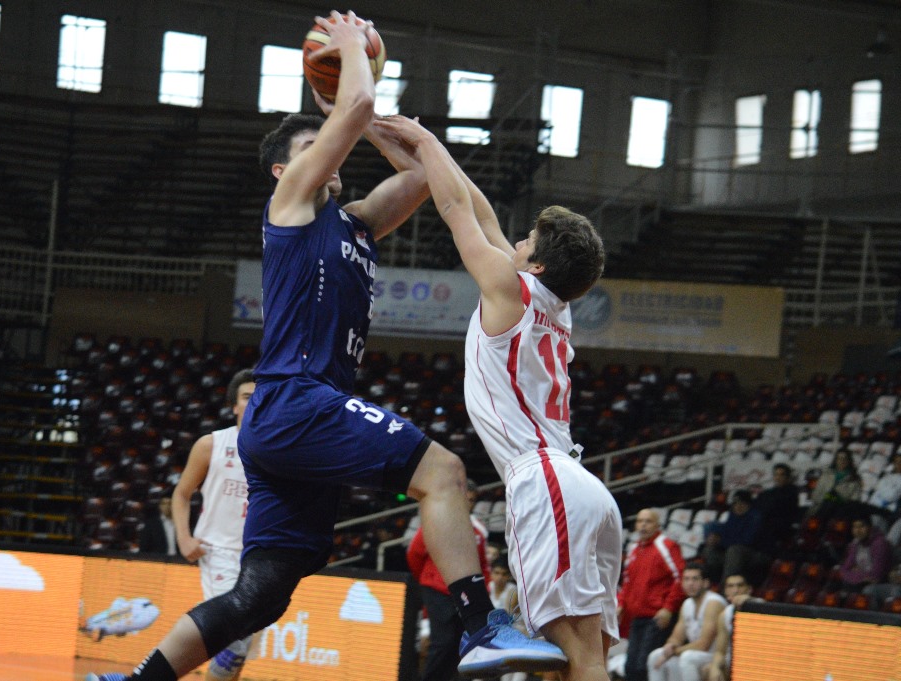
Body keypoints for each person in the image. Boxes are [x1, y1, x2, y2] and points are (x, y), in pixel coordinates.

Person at [86, 11, 562, 681]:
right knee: (444, 472)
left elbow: (425, 175)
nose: (335, 154)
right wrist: (350, 68)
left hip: (293, 417)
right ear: (290, 164)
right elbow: (359, 101)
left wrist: (356, 114)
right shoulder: (289, 202)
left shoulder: (358, 223)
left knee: (263, 594)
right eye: (322, 144)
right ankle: (480, 623)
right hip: (295, 401)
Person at [373, 114, 620, 681]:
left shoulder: (511, 291)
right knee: (577, 659)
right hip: (583, 491)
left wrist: (428, 141)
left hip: (546, 481)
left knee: (573, 656)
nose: (514, 239)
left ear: (533, 264)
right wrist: (391, 136)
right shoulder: (553, 304)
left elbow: (459, 212)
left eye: (526, 239)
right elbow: (477, 206)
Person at [170, 369, 255, 681]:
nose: (254, 401)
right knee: (234, 638)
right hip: (219, 552)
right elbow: (181, 494)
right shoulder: (212, 444)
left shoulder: (279, 450)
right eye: (246, 397)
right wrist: (184, 537)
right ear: (234, 405)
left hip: (259, 558)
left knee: (238, 650)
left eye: (261, 396)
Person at [407, 478, 490, 681]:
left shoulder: (478, 530)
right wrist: (429, 581)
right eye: (465, 498)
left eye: (471, 500)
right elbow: (414, 555)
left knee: (461, 642)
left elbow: (482, 565)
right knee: (443, 641)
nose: (467, 503)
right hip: (436, 588)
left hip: (464, 592)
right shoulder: (437, 520)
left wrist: (482, 591)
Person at [619, 509, 687, 681]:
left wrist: (668, 608)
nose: (642, 525)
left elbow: (680, 578)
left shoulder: (667, 546)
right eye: (640, 521)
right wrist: (621, 605)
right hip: (637, 617)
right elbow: (627, 582)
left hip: (657, 617)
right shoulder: (634, 549)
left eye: (648, 521)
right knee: (630, 666)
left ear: (657, 525)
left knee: (643, 666)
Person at [645, 564, 726, 681]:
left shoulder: (713, 603)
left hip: (716, 655)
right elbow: (676, 637)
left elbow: (704, 645)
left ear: (706, 583)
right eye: (686, 579)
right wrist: (670, 646)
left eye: (695, 579)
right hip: (697, 654)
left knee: (687, 658)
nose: (690, 583)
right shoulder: (687, 604)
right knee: (656, 655)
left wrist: (674, 652)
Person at [704, 573, 761, 681]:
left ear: (749, 589)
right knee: (708, 670)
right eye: (731, 586)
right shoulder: (724, 616)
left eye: (740, 586)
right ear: (726, 591)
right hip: (734, 663)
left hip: (756, 663)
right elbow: (720, 651)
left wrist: (749, 601)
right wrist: (715, 667)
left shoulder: (761, 606)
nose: (735, 590)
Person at [700, 491, 762, 583]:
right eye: (735, 504)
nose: (738, 506)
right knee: (709, 550)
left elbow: (747, 541)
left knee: (734, 551)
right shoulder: (733, 515)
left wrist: (721, 541)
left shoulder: (755, 517)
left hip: (754, 553)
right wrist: (714, 539)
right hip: (732, 552)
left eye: (742, 503)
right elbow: (728, 533)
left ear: (748, 504)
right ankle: (709, 585)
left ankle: (725, 590)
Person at [839, 514, 891, 592]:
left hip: (879, 585)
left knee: (867, 590)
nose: (857, 531)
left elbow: (876, 576)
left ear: (870, 528)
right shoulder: (855, 544)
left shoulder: (880, 544)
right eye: (855, 527)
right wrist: (861, 576)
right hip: (859, 583)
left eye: (862, 526)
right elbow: (844, 570)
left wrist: (855, 573)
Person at [806, 449, 862, 518]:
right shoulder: (826, 475)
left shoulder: (854, 479)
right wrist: (826, 498)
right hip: (821, 506)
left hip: (840, 510)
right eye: (839, 458)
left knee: (832, 497)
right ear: (835, 460)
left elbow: (854, 500)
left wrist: (837, 499)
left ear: (849, 460)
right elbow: (816, 494)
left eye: (845, 458)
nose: (842, 461)